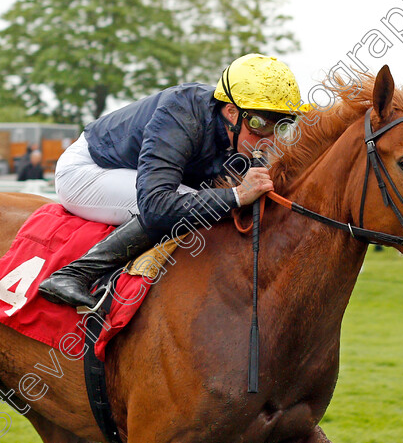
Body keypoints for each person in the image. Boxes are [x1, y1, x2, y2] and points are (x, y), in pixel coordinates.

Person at [39, 54, 306, 307]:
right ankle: (74, 275)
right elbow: (156, 206)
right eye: (260, 124)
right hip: (87, 170)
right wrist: (236, 195)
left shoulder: (238, 130)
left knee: (203, 202)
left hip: (134, 173)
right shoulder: (180, 114)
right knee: (185, 205)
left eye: (281, 126)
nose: (270, 139)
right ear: (232, 113)